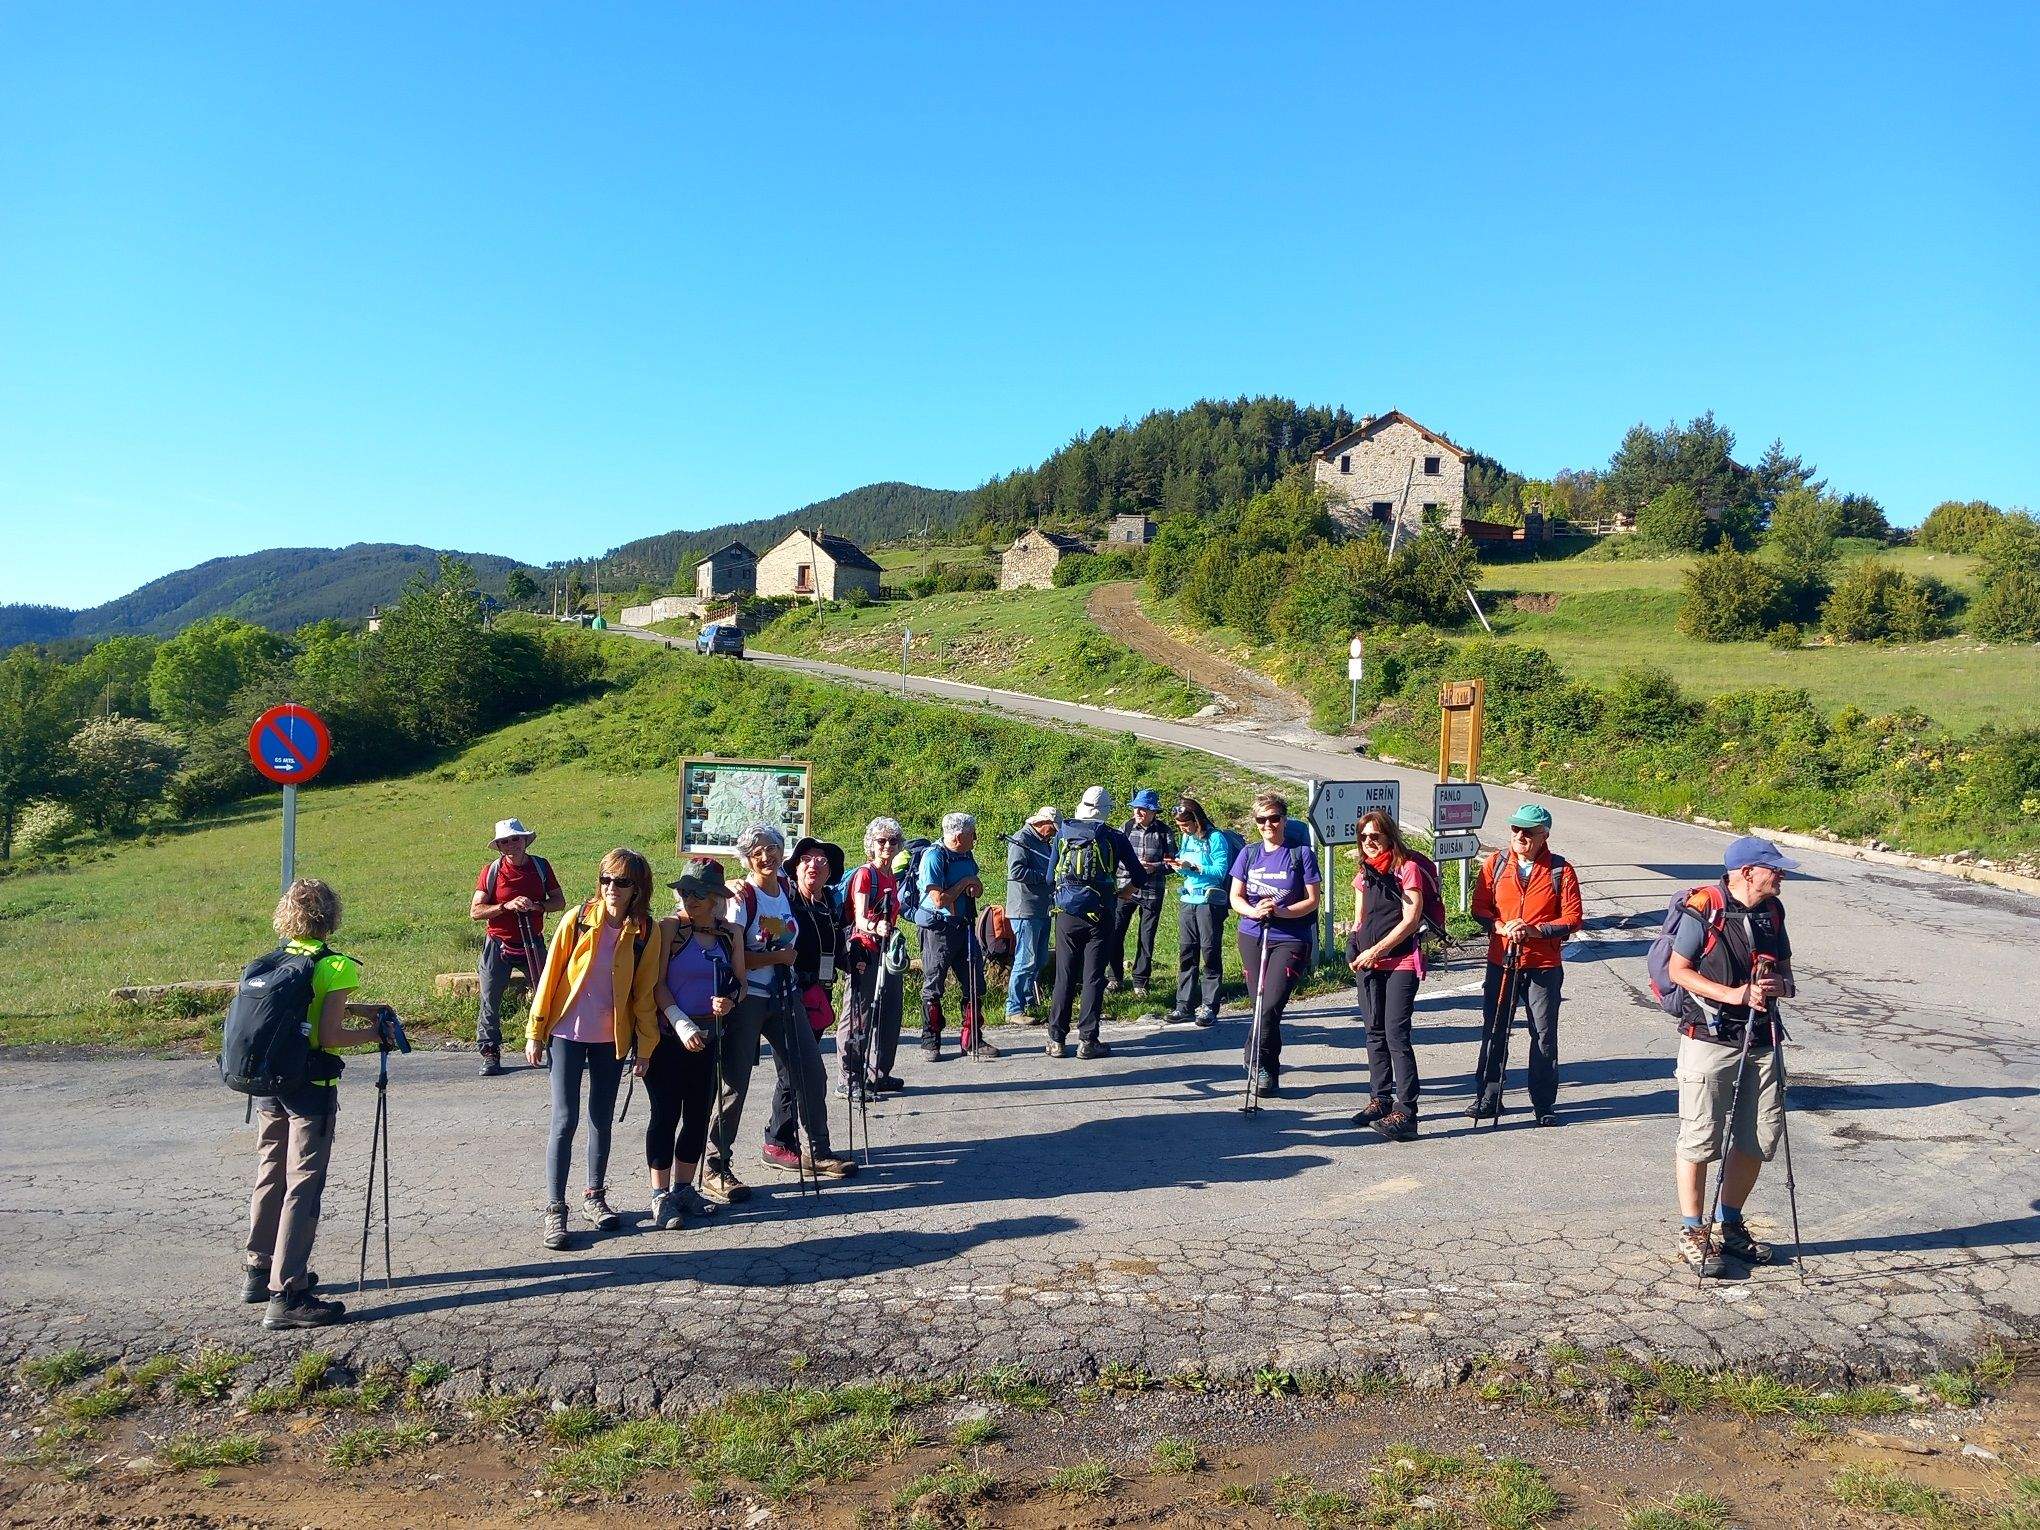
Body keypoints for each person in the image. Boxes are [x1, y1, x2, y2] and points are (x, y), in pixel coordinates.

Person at [241, 878, 393, 1329]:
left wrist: (361, 1010)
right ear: (332, 916)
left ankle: (258, 1268)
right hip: (311, 1085)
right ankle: (287, 1293)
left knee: (270, 1172)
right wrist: (374, 1034)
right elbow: (327, 1036)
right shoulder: (336, 966)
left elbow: (307, 1014)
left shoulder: (276, 961)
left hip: (271, 1081)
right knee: (303, 1182)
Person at [1666, 835, 1798, 1278]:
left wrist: (1781, 985)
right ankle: (1692, 1230)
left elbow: (1785, 970)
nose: (1781, 874)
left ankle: (1731, 1224)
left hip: (1763, 1039)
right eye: (1773, 868)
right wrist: (1734, 995)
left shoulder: (1773, 911)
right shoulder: (1704, 907)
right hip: (1709, 1038)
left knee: (1759, 1138)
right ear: (1746, 872)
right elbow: (1678, 970)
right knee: (1701, 1137)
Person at [702, 824, 855, 1201]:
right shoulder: (743, 897)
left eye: (772, 848)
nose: (766, 856)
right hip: (748, 999)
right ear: (746, 858)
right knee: (734, 1084)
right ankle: (715, 1167)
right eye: (757, 851)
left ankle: (818, 1151)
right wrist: (775, 957)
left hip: (786, 997)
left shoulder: (785, 889)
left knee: (810, 1070)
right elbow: (736, 957)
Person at [527, 848, 661, 1251]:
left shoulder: (646, 932)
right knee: (565, 1121)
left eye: (621, 882)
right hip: (567, 1032)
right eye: (605, 880)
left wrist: (646, 1045)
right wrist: (536, 1031)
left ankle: (594, 1197)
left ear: (638, 887)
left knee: (601, 1120)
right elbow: (550, 976)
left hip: (611, 1038)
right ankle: (555, 1209)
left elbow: (644, 994)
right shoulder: (578, 919)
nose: (611, 889)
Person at [1468, 803, 1583, 1127]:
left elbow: (1573, 918)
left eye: (1528, 831)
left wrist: (1534, 930)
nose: (1520, 836)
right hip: (1501, 961)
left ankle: (1543, 1104)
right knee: (1494, 1030)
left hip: (1543, 964)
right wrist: (1502, 926)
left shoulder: (1561, 870)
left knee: (1543, 1035)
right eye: (1515, 829)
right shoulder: (1495, 863)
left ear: (1543, 834)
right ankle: (1488, 1099)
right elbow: (1480, 909)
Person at [644, 857, 742, 1230]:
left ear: (716, 898)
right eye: (686, 891)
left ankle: (684, 1189)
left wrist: (729, 1001)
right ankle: (660, 1195)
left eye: (700, 893)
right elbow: (658, 984)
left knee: (699, 1115)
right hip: (670, 1037)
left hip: (710, 1035)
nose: (691, 899)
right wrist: (681, 1024)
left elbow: (740, 982)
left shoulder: (729, 934)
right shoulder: (670, 928)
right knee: (665, 1114)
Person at [1228, 789, 1322, 1098]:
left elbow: (1311, 901)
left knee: (1270, 1005)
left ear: (1283, 819)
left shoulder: (1300, 854)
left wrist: (1281, 911)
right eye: (1262, 820)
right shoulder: (1249, 853)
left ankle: (1258, 1061)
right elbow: (1235, 897)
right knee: (1259, 1004)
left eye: (1274, 818)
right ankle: (1265, 1067)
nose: (1268, 825)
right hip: (1253, 933)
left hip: (1290, 938)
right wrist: (1254, 911)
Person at [1045, 786, 1149, 1059]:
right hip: (1101, 913)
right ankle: (1088, 1041)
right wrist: (1123, 893)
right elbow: (1139, 875)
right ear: (1105, 811)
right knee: (1093, 977)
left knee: (1064, 976)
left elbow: (1048, 878)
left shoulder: (1062, 834)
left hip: (1067, 914)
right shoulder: (1113, 836)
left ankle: (1056, 1040)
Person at [1347, 810, 1426, 1141]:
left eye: (1375, 836)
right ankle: (1380, 1100)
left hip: (1401, 961)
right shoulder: (1363, 874)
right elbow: (1359, 917)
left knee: (1395, 1034)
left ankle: (1406, 1113)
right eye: (1364, 837)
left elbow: (1410, 920)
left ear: (1389, 836)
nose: (1369, 842)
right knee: (1373, 1032)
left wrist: (1375, 950)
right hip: (1367, 964)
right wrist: (1353, 945)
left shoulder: (1407, 869)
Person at [469, 818, 565, 1077]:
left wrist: (537, 906)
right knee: (490, 999)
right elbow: (475, 911)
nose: (511, 844)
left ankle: (555, 1046)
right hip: (497, 944)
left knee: (548, 994)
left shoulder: (541, 866)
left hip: (533, 941)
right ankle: (490, 1052)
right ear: (499, 846)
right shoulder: (491, 871)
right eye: (505, 841)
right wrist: (505, 906)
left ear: (525, 840)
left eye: (515, 839)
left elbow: (559, 901)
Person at [774, 837, 850, 1162]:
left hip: (819, 998)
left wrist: (855, 956)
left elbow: (836, 948)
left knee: (798, 1072)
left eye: (822, 860)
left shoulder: (829, 904)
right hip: (791, 995)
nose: (814, 865)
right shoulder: (787, 902)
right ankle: (779, 1142)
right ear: (795, 867)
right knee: (796, 1072)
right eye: (806, 859)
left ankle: (781, 1141)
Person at [914, 812, 1001, 1059]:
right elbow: (938, 899)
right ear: (959, 836)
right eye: (973, 834)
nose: (976, 838)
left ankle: (972, 1039)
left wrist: (975, 885)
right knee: (934, 985)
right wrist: (965, 882)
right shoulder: (934, 856)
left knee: (974, 983)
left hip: (963, 926)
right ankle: (931, 1041)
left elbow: (977, 887)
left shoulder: (966, 855)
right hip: (938, 929)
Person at [842, 817, 907, 1094]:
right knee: (859, 1013)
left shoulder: (891, 874)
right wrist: (874, 926)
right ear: (871, 844)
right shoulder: (865, 874)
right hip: (864, 950)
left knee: (889, 1012)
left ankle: (879, 1074)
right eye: (882, 841)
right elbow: (858, 916)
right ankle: (850, 1079)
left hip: (885, 951)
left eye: (893, 841)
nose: (887, 846)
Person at [1164, 797, 1233, 1027]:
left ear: (1196, 820)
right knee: (1186, 951)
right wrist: (1178, 867)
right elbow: (1186, 870)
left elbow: (1220, 871)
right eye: (1180, 827)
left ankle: (1209, 1005)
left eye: (1186, 825)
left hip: (1208, 901)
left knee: (1209, 951)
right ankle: (1183, 1004)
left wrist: (1193, 867)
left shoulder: (1216, 838)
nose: (1183, 830)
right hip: (1188, 899)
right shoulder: (1186, 838)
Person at [1111, 788, 1176, 999]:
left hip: (1152, 890)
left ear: (1153, 811)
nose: (1138, 812)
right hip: (1125, 888)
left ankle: (1140, 981)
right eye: (1136, 808)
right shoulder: (1126, 828)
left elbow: (1171, 863)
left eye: (1143, 809)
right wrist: (1132, 866)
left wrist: (1154, 867)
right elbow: (1114, 856)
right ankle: (1114, 978)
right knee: (1116, 932)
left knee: (1146, 937)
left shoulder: (1165, 832)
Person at [1003, 806, 1059, 1023]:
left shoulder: (1044, 842)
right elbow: (1015, 871)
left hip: (1042, 908)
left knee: (1041, 958)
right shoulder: (1021, 839)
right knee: (1026, 960)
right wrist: (1044, 877)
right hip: (1025, 909)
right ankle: (1013, 1009)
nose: (1054, 833)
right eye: (1052, 828)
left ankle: (1027, 1000)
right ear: (1041, 823)